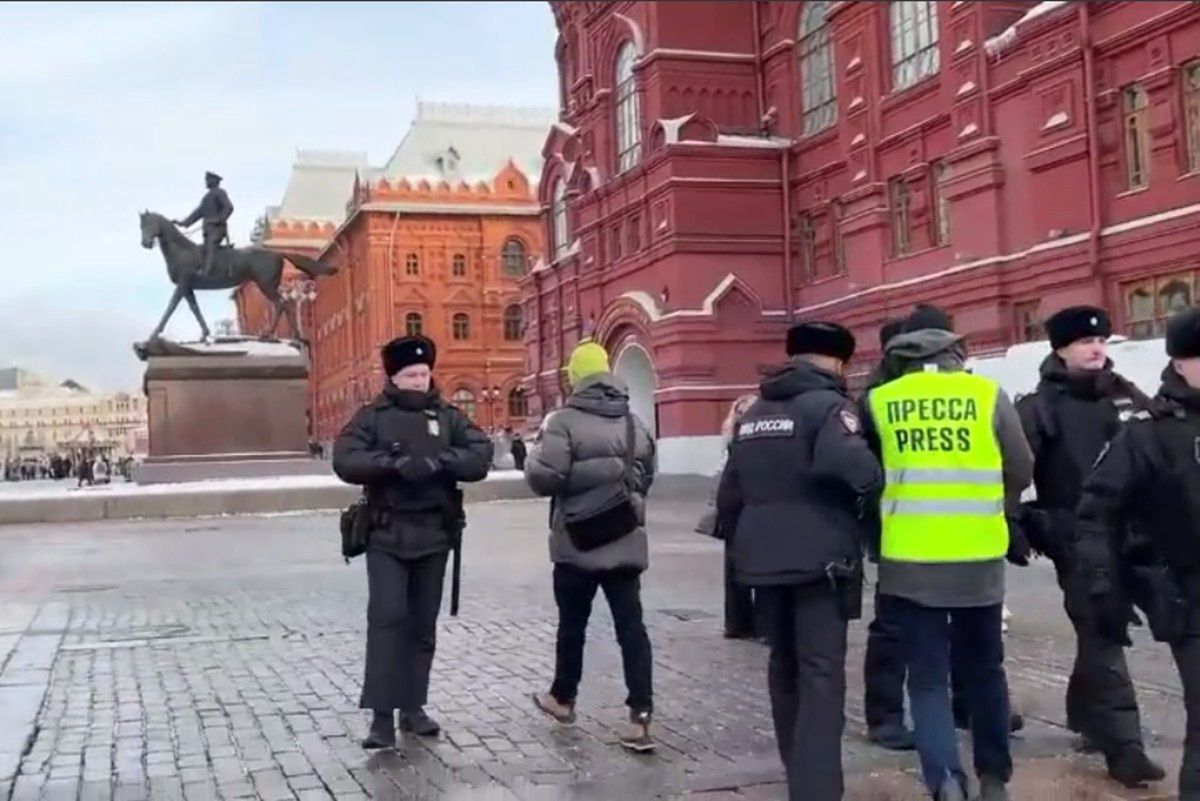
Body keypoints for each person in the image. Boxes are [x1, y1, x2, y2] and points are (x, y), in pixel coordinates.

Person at [861, 306, 1034, 801]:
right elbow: (1021, 466)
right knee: (986, 670)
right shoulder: (986, 395)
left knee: (929, 680)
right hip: (978, 557)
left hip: (909, 560)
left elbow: (868, 474)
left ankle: (945, 782)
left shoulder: (880, 401)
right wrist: (995, 506)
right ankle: (995, 778)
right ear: (956, 353)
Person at [717, 322, 883, 801]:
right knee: (821, 674)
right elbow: (853, 469)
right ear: (836, 362)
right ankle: (817, 790)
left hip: (762, 562)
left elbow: (730, 494)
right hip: (819, 563)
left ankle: (798, 775)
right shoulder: (829, 408)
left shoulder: (756, 413)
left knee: (783, 666)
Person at [1015, 306, 1164, 787]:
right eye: (1083, 342)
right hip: (1073, 535)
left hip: (1136, 535)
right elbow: (1015, 470)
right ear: (1059, 348)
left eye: (1100, 340)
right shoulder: (1038, 407)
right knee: (1104, 629)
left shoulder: (1126, 396)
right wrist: (1015, 521)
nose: (1096, 348)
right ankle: (1126, 747)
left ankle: (1084, 715)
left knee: (1096, 634)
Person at [333, 334, 492, 749]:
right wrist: (394, 465)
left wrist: (439, 462)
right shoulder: (373, 417)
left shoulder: (448, 415)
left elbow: (480, 454)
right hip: (387, 533)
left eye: (424, 373)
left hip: (434, 535)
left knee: (422, 625)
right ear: (395, 376)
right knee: (387, 621)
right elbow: (346, 458)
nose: (420, 381)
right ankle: (382, 718)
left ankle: (413, 708)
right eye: (411, 374)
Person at [1074, 306, 1200, 801]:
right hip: (1190, 597)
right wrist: (1105, 584)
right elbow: (1097, 510)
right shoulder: (1150, 431)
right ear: (1183, 362)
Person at [524, 340, 658, 752]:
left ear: (574, 377)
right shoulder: (635, 421)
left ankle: (563, 699)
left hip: (577, 539)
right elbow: (647, 475)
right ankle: (641, 716)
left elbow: (545, 478)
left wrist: (533, 458)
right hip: (622, 536)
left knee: (573, 626)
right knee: (631, 629)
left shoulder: (562, 421)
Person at [861, 318, 915, 751]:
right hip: (896, 529)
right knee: (894, 626)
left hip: (956, 530)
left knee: (964, 623)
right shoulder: (876, 400)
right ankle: (885, 715)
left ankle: (968, 703)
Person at [174, 171, 234, 278]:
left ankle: (207, 271)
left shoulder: (220, 193)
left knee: (210, 247)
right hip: (208, 231)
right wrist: (183, 223)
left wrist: (219, 219)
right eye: (206, 180)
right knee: (203, 249)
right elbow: (197, 213)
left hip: (217, 230)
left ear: (214, 181)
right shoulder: (207, 198)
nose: (206, 182)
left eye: (208, 180)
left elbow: (229, 207)